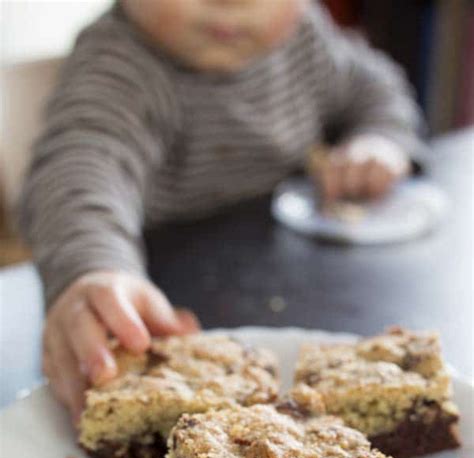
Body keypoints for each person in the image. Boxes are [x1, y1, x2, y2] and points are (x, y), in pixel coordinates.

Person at [19, 0, 424, 421]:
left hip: (287, 289)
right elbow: (79, 166)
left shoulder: (304, 39)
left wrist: (381, 139)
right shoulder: (119, 63)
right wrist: (94, 266)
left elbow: (377, 87)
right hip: (157, 320)